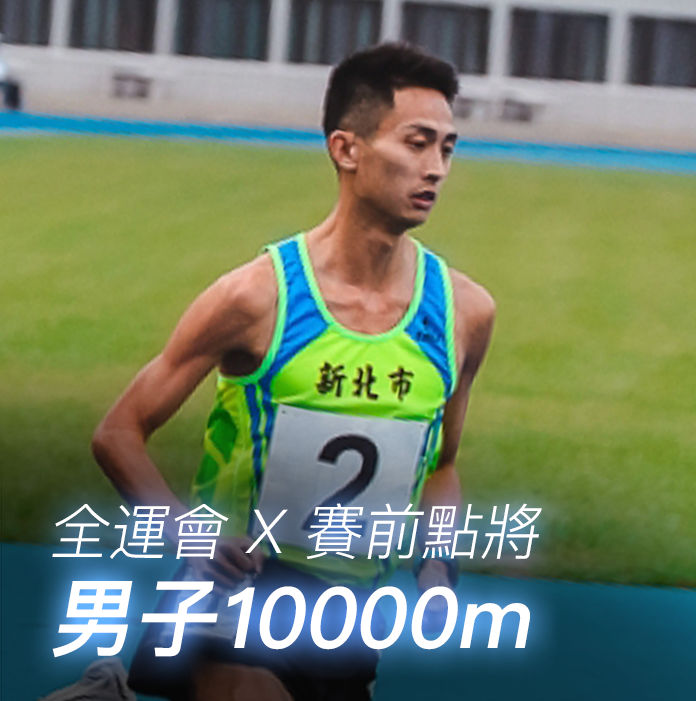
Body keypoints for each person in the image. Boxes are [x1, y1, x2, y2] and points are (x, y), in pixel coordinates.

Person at [91, 43, 494, 701]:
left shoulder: (465, 314)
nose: (436, 168)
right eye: (417, 143)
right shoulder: (255, 298)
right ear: (346, 149)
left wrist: (437, 568)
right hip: (234, 596)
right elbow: (118, 432)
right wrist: (189, 534)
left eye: (447, 148)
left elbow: (442, 465)